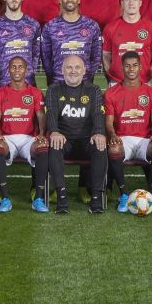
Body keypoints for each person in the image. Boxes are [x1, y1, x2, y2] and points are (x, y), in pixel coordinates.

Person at [44, 55, 109, 214]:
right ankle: (62, 198)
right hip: (64, 140)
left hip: (86, 141)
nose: (73, 71)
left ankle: (96, 198)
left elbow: (98, 114)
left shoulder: (93, 90)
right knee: (54, 145)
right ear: (62, 70)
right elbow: (51, 113)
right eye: (69, 67)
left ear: (84, 70)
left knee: (100, 145)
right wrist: (54, 131)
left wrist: (99, 133)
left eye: (77, 67)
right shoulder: (54, 89)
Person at [104, 52, 152, 214]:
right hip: (123, 139)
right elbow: (108, 123)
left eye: (135, 65)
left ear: (140, 67)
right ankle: (124, 194)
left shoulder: (151, 92)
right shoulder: (111, 93)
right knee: (113, 148)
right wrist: (113, 135)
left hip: (144, 139)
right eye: (127, 66)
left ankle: (151, 195)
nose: (131, 69)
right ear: (122, 68)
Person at [0, 56, 47, 213]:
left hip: (29, 138)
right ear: (8, 70)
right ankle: (5, 198)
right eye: (13, 67)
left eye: (20, 67)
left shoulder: (35, 92)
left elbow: (41, 114)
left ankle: (38, 198)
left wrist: (42, 133)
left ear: (26, 70)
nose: (17, 70)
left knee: (43, 147)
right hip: (7, 138)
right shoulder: (0, 92)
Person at [40, 0, 101, 85]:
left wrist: (87, 77)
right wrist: (55, 77)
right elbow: (45, 57)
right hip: (58, 83)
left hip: (84, 83)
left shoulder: (91, 26)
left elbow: (96, 57)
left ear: (79, 0)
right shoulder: (50, 26)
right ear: (60, 0)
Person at [102, 0, 152, 86]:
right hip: (117, 83)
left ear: (140, 3)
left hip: (143, 84)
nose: (131, 3)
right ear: (122, 3)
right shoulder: (110, 28)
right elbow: (106, 57)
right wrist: (114, 78)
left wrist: (144, 79)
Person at [0, 0, 41, 87]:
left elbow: (35, 56)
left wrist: (28, 75)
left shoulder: (33, 25)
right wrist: (2, 78)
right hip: (3, 86)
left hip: (28, 85)